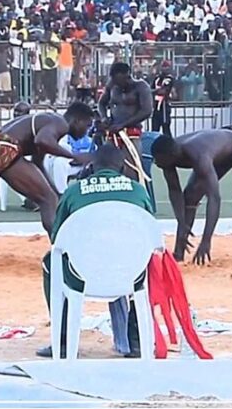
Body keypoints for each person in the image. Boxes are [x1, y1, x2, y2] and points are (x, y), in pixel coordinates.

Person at [37, 145, 153, 359]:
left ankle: (62, 340)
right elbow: (150, 234)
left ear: (92, 166)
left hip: (82, 274)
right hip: (130, 274)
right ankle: (136, 339)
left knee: (49, 262)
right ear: (122, 166)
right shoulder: (138, 190)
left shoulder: (74, 191)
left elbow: (57, 239)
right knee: (151, 261)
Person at [0, 102, 95, 269]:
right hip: (3, 149)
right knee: (47, 201)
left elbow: (38, 164)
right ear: (77, 120)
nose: (87, 130)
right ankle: (62, 258)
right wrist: (73, 156)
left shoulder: (45, 123)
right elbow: (43, 141)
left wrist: (55, 192)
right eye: (87, 125)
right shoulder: (59, 123)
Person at [151, 127, 232, 265]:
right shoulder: (166, 156)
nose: (156, 163)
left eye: (158, 160)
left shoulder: (198, 154)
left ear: (170, 156)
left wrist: (206, 240)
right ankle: (178, 254)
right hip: (219, 154)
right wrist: (182, 224)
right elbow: (175, 191)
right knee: (190, 197)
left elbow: (214, 198)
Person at [97, 62, 153, 185]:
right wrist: (104, 118)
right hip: (113, 133)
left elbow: (147, 111)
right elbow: (101, 104)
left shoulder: (141, 87)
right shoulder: (112, 85)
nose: (117, 84)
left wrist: (124, 125)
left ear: (127, 75)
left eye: (119, 80)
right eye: (114, 80)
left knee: (131, 169)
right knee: (108, 166)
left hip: (131, 134)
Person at [151, 60, 175, 136]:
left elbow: (164, 90)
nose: (164, 69)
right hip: (156, 107)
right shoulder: (157, 78)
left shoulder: (169, 79)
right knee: (154, 130)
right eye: (163, 67)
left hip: (165, 106)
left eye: (166, 67)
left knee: (166, 129)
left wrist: (155, 91)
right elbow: (151, 89)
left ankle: (169, 146)